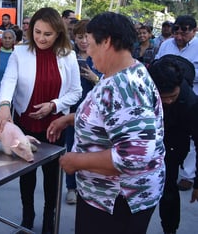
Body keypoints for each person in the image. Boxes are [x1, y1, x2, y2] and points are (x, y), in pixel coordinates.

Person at [47, 12, 166, 234]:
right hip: (106, 197)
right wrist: (72, 119)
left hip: (117, 202)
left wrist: (77, 161)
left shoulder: (124, 87)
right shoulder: (123, 72)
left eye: (91, 44)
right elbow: (112, 119)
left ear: (107, 42)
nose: (88, 51)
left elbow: (134, 156)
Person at [0, 7, 82, 234]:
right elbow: (9, 80)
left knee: (52, 176)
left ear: (58, 34)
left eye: (48, 34)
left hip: (55, 125)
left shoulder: (68, 55)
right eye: (37, 32)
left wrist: (54, 105)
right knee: (27, 173)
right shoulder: (20, 53)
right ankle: (28, 216)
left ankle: (49, 217)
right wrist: (4, 106)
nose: (41, 38)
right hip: (26, 123)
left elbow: (75, 92)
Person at [148, 55, 198, 234]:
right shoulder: (145, 89)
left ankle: (170, 229)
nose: (168, 101)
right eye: (164, 97)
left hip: (174, 144)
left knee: (168, 187)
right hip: (148, 141)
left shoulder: (191, 103)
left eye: (173, 96)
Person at [155, 15, 198, 191]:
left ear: (194, 31)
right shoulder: (166, 45)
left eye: (184, 33)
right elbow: (157, 64)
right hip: (163, 100)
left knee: (192, 136)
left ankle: (188, 175)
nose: (179, 37)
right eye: (176, 32)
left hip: (191, 97)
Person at [63, 19, 102, 205]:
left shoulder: (100, 58)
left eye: (87, 36)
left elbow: (109, 85)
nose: (83, 40)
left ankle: (89, 186)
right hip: (73, 111)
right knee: (72, 147)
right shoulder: (68, 56)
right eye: (80, 37)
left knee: (91, 150)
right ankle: (71, 187)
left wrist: (95, 78)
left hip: (95, 115)